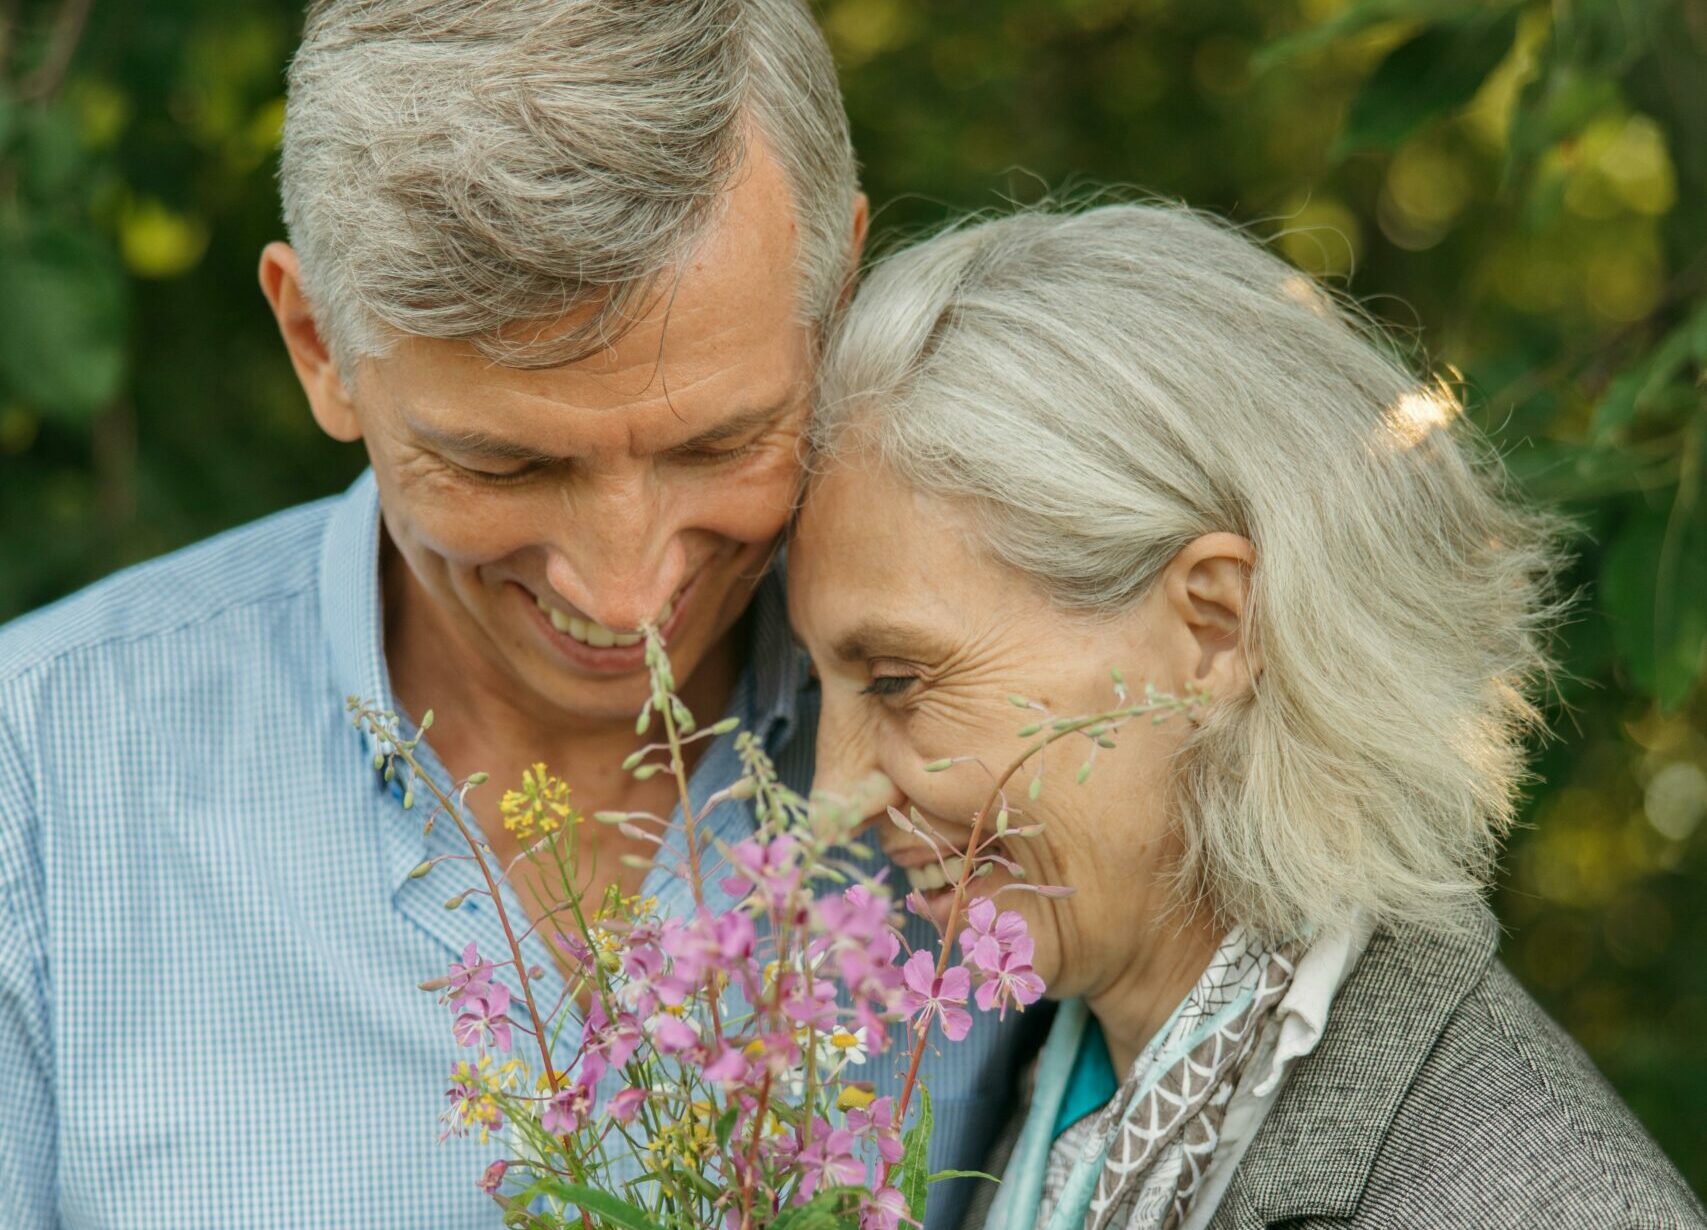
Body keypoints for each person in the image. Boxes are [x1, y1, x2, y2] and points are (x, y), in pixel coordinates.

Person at [0, 5, 1036, 1228]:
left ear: (841, 292)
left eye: (721, 443)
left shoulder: (1040, 724)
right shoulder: (41, 786)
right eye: (506, 469)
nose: (626, 593)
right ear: (319, 343)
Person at [789, 203, 1707, 1229]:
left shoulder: (1550, 1205)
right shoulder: (1056, 1092)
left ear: (1215, 629)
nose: (836, 790)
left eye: (899, 679)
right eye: (821, 682)